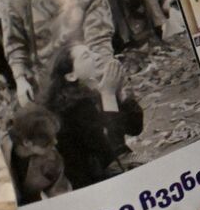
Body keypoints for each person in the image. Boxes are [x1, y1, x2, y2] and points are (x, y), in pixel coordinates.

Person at [45, 44, 144, 189]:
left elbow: (135, 127)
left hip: (109, 171)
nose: (96, 57)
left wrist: (120, 93)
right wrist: (108, 95)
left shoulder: (91, 90)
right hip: (92, 185)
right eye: (86, 56)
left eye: (92, 51)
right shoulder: (71, 109)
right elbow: (113, 154)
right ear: (71, 76)